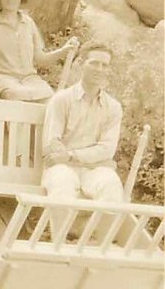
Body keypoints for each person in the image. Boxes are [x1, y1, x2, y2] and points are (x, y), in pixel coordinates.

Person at [41, 42, 124, 238]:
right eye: (94, 63)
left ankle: (91, 243)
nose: (100, 70)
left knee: (111, 187)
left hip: (92, 169)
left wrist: (69, 155)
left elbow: (106, 150)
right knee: (62, 185)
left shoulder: (113, 107)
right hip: (61, 168)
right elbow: (52, 145)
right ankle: (59, 243)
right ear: (80, 63)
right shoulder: (62, 100)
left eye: (105, 65)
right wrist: (74, 158)